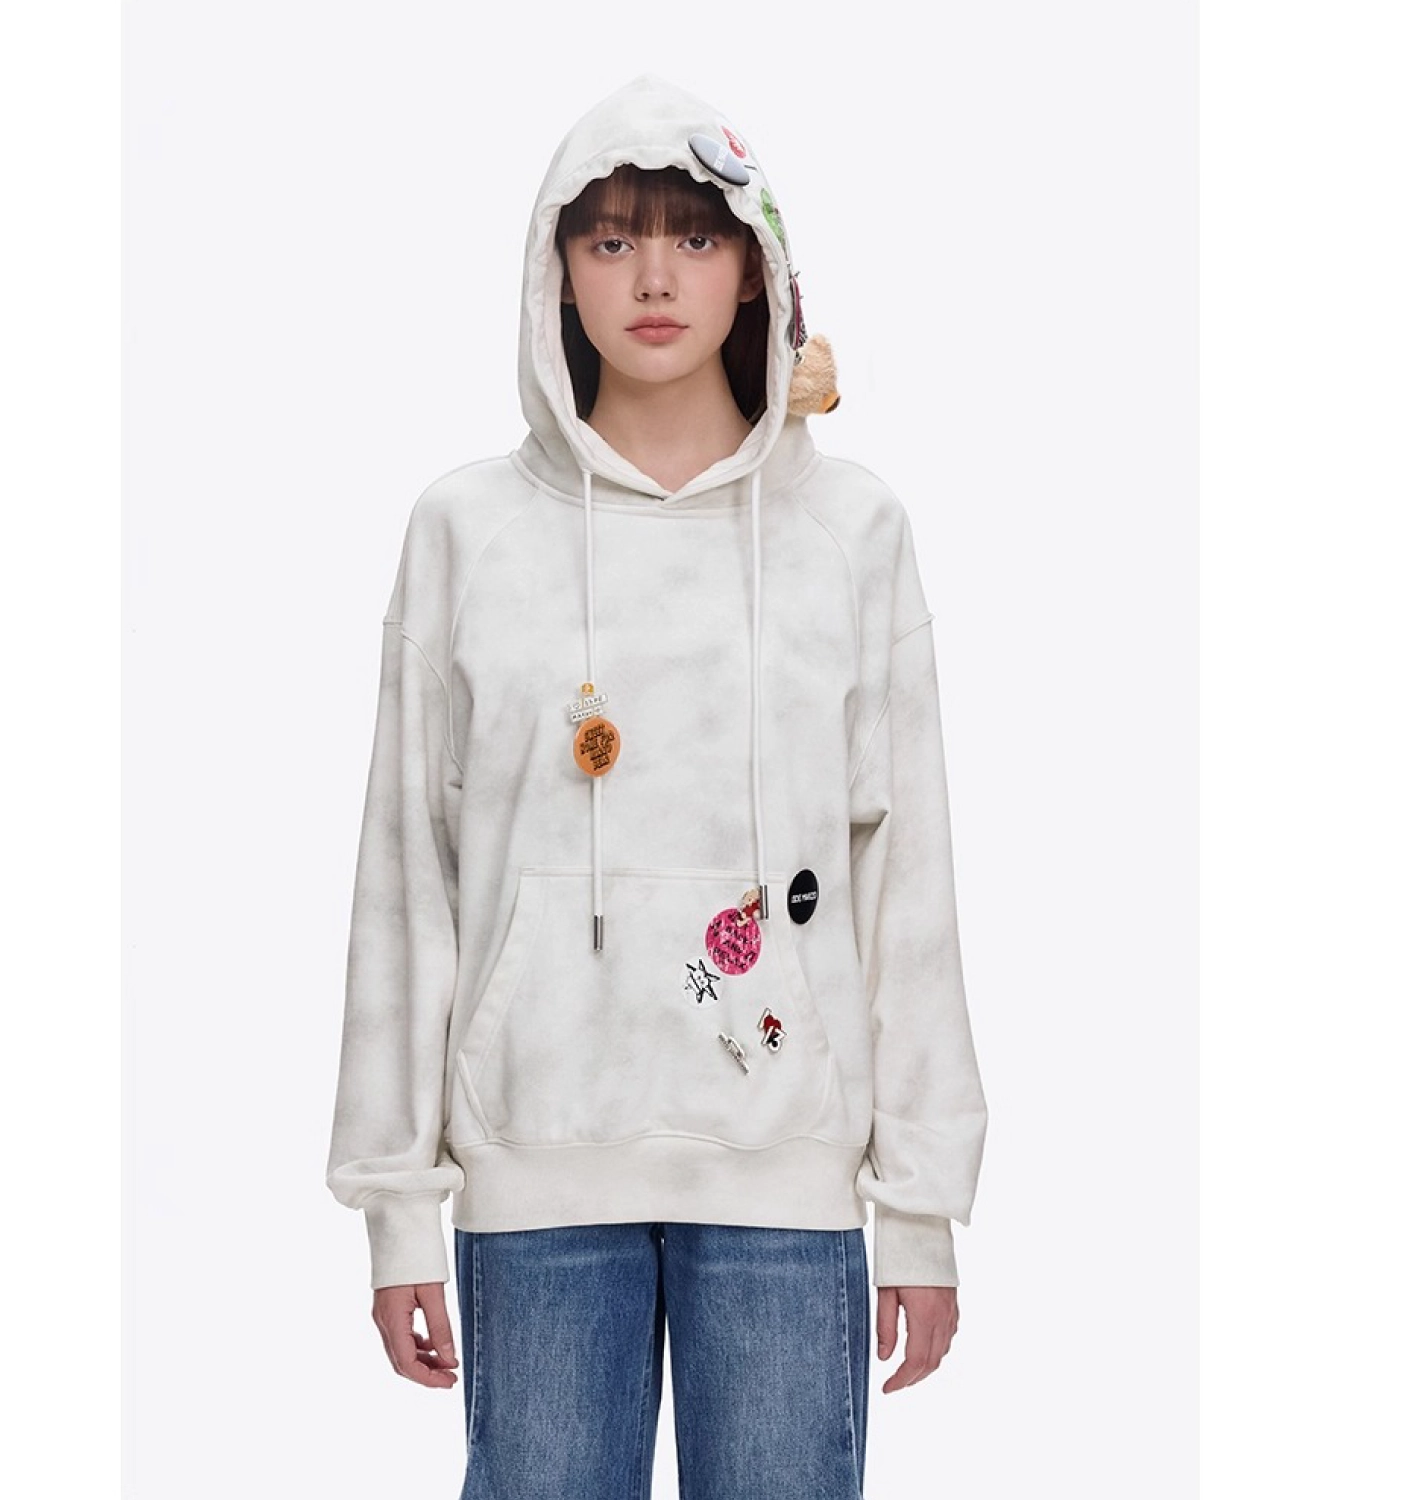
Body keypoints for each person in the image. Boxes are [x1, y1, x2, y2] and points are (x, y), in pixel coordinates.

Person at [326, 72, 989, 1500]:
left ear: (757, 273)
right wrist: (396, 1203)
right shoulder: (467, 533)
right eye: (611, 238)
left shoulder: (849, 533)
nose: (653, 278)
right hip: (533, 1169)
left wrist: (922, 1206)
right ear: (555, 271)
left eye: (696, 238)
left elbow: (908, 883)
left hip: (788, 1172)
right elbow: (407, 874)